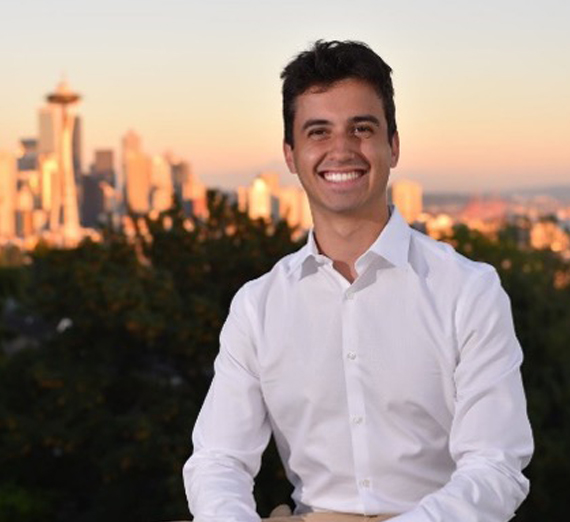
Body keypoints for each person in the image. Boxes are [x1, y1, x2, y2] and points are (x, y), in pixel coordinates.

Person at [183, 40, 533, 522]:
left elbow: (495, 467)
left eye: (361, 129)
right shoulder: (257, 306)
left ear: (393, 144)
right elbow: (218, 459)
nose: (341, 150)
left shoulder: (469, 291)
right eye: (318, 131)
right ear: (291, 154)